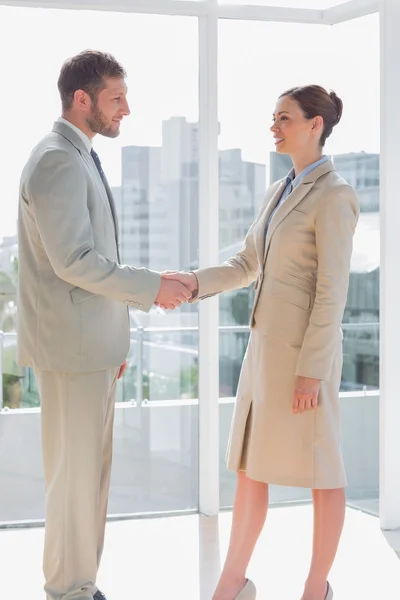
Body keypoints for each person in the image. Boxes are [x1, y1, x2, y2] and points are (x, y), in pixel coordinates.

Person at [161, 85, 359, 600]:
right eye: (273, 117)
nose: (275, 126)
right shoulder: (278, 191)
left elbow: (334, 291)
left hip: (302, 361)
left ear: (315, 125)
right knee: (250, 466)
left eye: (285, 118)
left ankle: (317, 589)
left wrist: (312, 370)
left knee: (324, 470)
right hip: (264, 356)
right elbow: (247, 264)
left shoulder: (335, 195)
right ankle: (232, 582)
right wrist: (193, 282)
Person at [17, 50, 191, 600]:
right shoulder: (56, 160)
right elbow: (74, 261)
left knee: (88, 480)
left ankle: (80, 584)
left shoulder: (79, 155)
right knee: (73, 481)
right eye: (116, 97)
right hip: (71, 352)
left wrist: (116, 335)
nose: (127, 109)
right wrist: (150, 288)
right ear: (82, 99)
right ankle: (69, 589)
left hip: (91, 348)